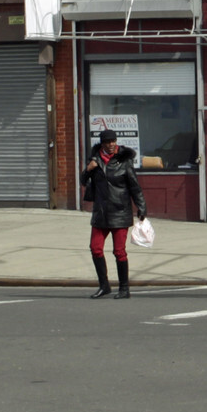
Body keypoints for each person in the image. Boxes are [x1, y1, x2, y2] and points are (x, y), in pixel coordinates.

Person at [79, 128, 147, 298]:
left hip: (120, 211)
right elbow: (83, 181)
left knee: (119, 251)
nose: (111, 145)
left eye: (113, 141)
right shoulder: (95, 161)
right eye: (108, 142)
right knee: (95, 249)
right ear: (102, 144)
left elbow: (135, 187)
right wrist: (88, 169)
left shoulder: (124, 161)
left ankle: (124, 288)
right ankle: (104, 285)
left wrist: (141, 207)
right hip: (101, 213)